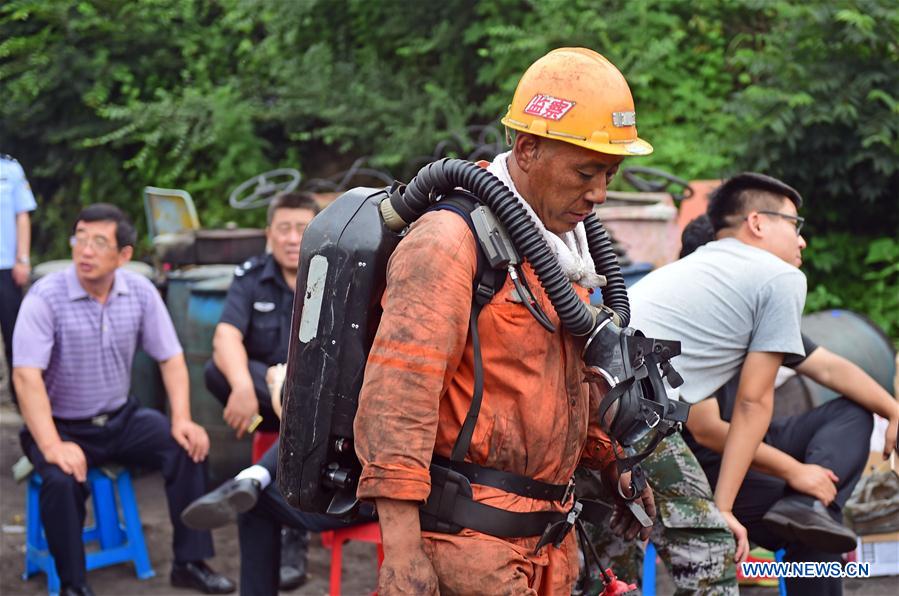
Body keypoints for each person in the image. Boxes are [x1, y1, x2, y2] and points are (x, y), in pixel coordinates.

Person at [353, 47, 657, 595]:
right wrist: (401, 552)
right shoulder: (451, 243)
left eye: (610, 174)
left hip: (547, 546)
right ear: (527, 149)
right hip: (466, 548)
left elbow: (566, 381)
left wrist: (615, 464)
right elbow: (399, 398)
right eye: (585, 172)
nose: (599, 194)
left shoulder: (561, 253)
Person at [588, 173, 814, 594]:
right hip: (636, 406)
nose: (802, 241)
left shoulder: (700, 268)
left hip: (584, 404)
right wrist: (722, 509)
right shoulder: (779, 277)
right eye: (794, 225)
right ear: (758, 223)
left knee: (610, 554)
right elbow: (753, 403)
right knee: (708, 549)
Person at [12, 204, 234, 596]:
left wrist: (181, 417)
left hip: (120, 417)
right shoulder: (45, 298)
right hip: (60, 424)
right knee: (61, 483)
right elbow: (25, 376)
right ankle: (73, 585)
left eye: (99, 242)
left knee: (187, 448)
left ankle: (189, 562)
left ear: (124, 255)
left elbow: (171, 357)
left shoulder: (140, 292)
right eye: (80, 238)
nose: (85, 250)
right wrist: (51, 445)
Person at [679, 214, 899, 595]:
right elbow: (707, 429)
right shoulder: (689, 315)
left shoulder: (752, 308)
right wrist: (796, 472)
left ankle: (806, 508)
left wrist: (894, 410)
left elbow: (829, 368)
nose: (800, 243)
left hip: (754, 444)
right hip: (706, 470)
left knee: (852, 412)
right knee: (815, 530)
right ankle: (807, 509)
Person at [201, 191, 319, 589]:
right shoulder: (252, 276)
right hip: (261, 405)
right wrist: (243, 385)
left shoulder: (332, 275)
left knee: (303, 394)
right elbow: (226, 335)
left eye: (301, 228)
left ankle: (276, 508)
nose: (291, 237)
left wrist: (290, 386)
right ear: (269, 233)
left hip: (316, 406)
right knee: (216, 371)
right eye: (283, 228)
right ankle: (262, 453)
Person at [182, 360, 372, 596]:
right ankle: (252, 479)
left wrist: (281, 387)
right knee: (256, 501)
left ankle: (251, 477)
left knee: (309, 414)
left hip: (373, 494)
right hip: (352, 472)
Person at [1, 154, 37, 403]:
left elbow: (22, 215)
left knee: (14, 333)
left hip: (6, 265)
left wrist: (22, 259)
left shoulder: (10, 169)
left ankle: (21, 396)